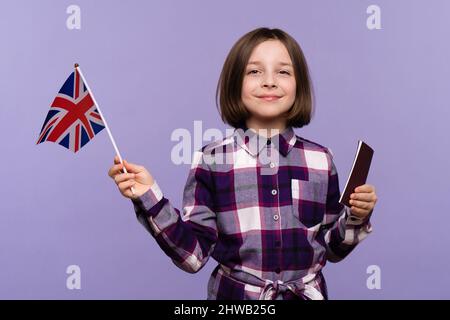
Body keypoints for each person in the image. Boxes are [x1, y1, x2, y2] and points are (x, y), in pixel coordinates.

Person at [107, 27, 378, 300]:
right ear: (235, 84)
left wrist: (357, 216)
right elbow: (192, 257)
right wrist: (148, 196)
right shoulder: (211, 161)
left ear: (300, 86)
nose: (269, 81)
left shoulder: (321, 160)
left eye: (283, 71)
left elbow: (331, 248)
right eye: (254, 71)